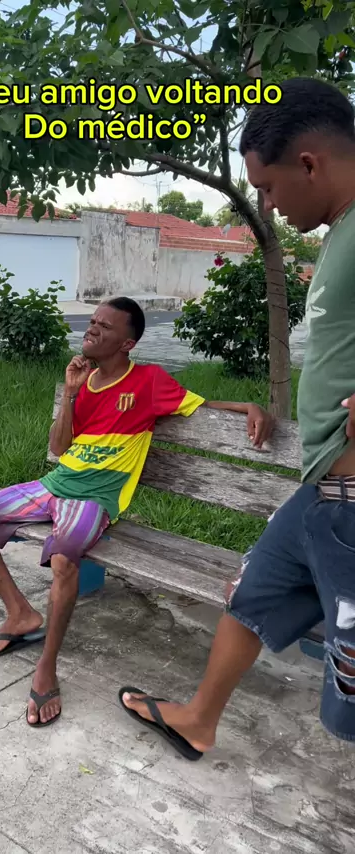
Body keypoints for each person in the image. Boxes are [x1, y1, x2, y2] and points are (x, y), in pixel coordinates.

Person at [119, 76, 355, 760]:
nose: (269, 206)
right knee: (253, 590)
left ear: (308, 163)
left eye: (269, 188)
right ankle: (198, 718)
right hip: (322, 492)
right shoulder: (341, 232)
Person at [0, 296, 273, 727]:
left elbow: (201, 406)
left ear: (127, 343)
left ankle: (46, 667)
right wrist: (70, 393)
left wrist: (249, 406)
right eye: (92, 322)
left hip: (94, 498)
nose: (92, 329)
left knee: (64, 560)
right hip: (56, 483)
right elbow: (59, 449)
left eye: (105, 326)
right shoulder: (84, 382)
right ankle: (21, 614)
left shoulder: (149, 381)